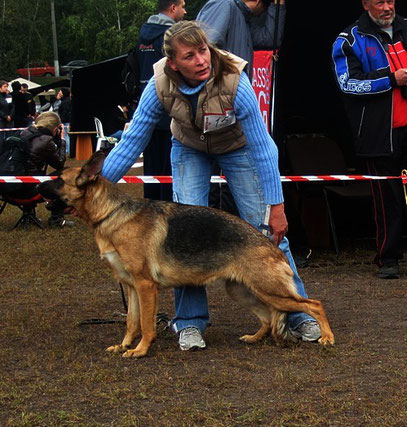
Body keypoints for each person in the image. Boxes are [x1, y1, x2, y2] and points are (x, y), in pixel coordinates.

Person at [101, 20, 321, 351]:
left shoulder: (234, 79)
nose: (201, 60)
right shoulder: (159, 82)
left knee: (267, 231)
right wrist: (96, 187)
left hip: (239, 147)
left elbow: (264, 148)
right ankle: (189, 322)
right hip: (189, 147)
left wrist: (276, 206)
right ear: (173, 63)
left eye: (203, 51)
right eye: (190, 56)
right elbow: (133, 140)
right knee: (182, 232)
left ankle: (297, 313)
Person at [332, 0, 407, 279]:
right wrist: (391, 79)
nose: (387, 7)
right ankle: (388, 259)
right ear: (365, 4)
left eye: (391, 0)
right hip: (378, 135)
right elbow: (347, 83)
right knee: (388, 200)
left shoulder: (405, 27)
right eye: (380, 2)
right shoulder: (348, 39)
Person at [196, 0, 286, 216]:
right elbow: (203, 47)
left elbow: (267, 38)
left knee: (236, 173)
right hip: (214, 106)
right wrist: (224, 85)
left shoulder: (244, 18)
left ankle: (230, 229)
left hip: (231, 108)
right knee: (213, 183)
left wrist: (278, 7)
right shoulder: (224, 5)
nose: (261, 13)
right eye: (265, 7)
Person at [132, 0, 186, 201]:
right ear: (172, 8)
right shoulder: (171, 37)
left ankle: (151, 208)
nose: (185, 11)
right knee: (169, 169)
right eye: (182, 6)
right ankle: (166, 213)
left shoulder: (143, 35)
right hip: (169, 111)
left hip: (146, 111)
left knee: (151, 170)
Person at [4, 112, 72, 227]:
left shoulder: (23, 133)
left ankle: (30, 213)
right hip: (28, 190)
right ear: (55, 128)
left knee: (29, 170)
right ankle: (56, 219)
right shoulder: (45, 141)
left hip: (8, 188)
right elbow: (59, 164)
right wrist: (62, 140)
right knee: (67, 174)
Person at [57, 88, 72, 155]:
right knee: (66, 135)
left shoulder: (65, 102)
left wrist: (62, 120)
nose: (59, 93)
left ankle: (67, 150)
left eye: (60, 92)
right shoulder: (67, 100)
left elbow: (65, 112)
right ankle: (68, 150)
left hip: (66, 121)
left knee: (66, 135)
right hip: (67, 121)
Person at [0, 80, 14, 145]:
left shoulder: (9, 96)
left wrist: (10, 115)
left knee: (10, 138)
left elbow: (12, 106)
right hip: (1, 120)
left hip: (9, 120)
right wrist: (5, 116)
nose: (6, 88)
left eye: (7, 86)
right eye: (4, 86)